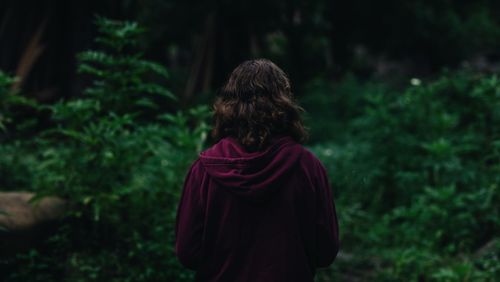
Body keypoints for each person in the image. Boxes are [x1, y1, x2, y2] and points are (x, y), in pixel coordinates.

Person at [175, 59, 339, 282]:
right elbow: (325, 251)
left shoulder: (204, 170)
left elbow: (187, 253)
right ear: (284, 103)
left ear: (229, 103)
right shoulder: (307, 167)